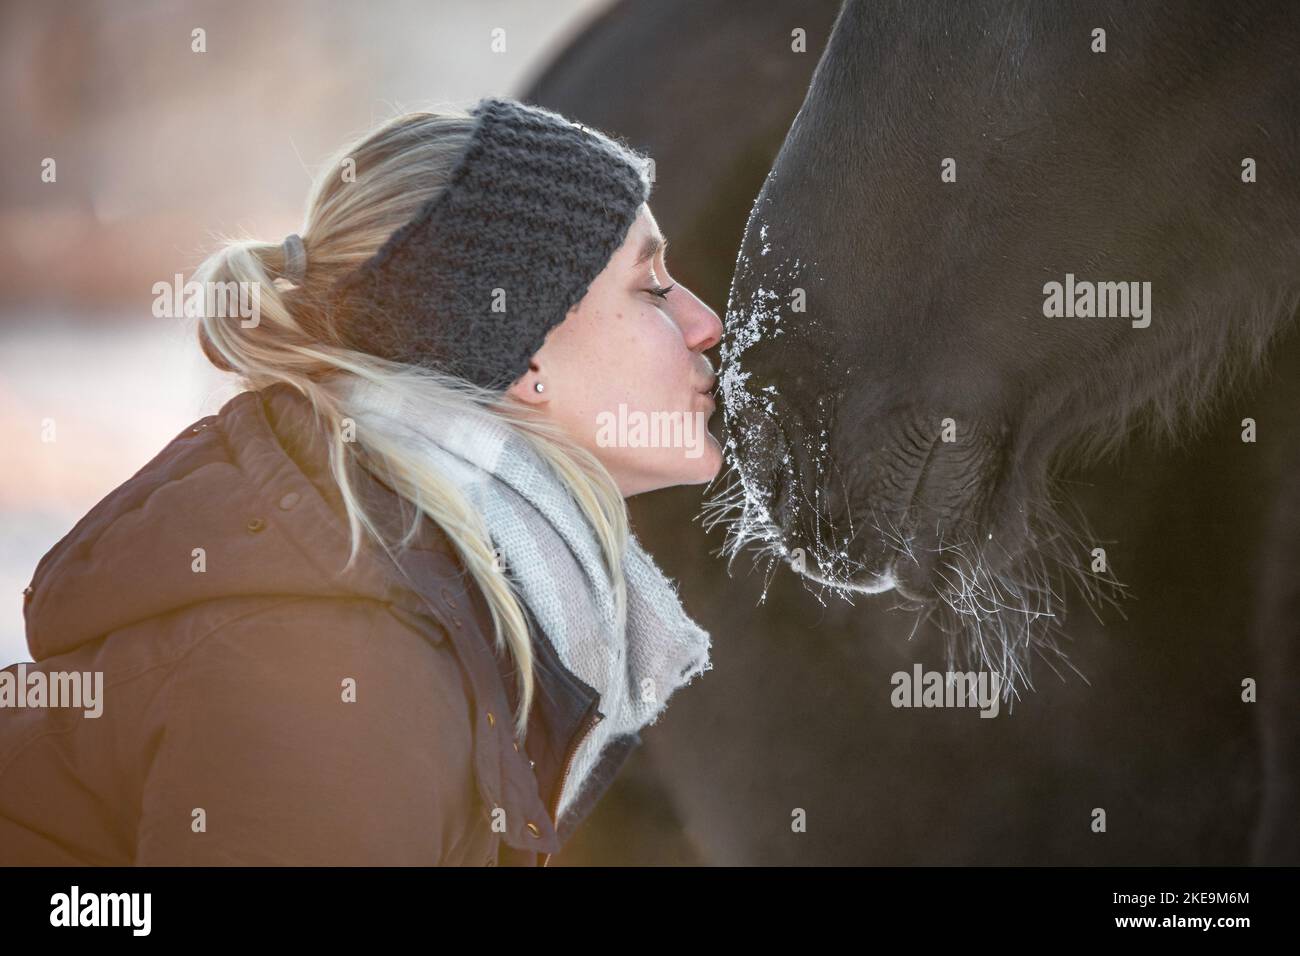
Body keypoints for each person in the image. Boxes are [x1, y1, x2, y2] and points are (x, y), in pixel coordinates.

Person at [1, 97, 722, 866]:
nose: (705, 321)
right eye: (652, 287)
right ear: (526, 353)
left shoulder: (419, 596)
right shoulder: (343, 665)